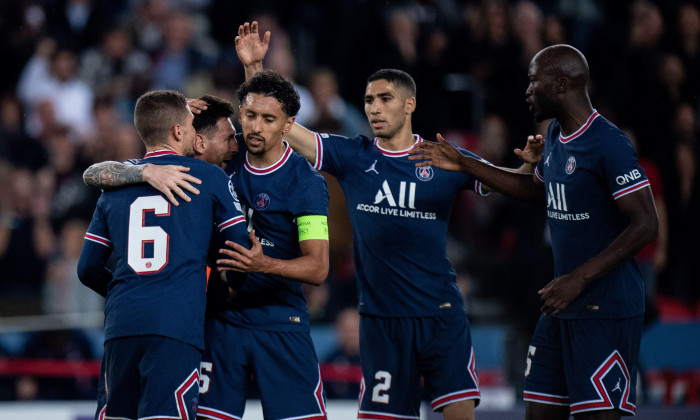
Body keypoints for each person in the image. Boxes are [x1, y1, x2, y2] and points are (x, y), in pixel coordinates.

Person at [223, 21, 541, 420]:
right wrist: (254, 69)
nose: (373, 107)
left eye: (385, 99)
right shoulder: (354, 157)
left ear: (409, 104)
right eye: (369, 100)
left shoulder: (444, 157)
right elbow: (283, 128)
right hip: (379, 320)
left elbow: (514, 189)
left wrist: (528, 169)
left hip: (439, 313)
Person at [408, 44, 659, 420]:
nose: (527, 90)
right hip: (561, 304)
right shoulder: (556, 135)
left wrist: (579, 277)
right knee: (538, 412)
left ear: (560, 84)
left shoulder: (608, 142)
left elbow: (646, 223)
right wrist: (464, 163)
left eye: (532, 80)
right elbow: (532, 190)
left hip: (605, 309)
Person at [82, 76, 331, 420]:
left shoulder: (305, 182)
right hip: (215, 325)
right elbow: (100, 168)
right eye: (242, 125)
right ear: (194, 139)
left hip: (280, 321)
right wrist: (149, 168)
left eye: (267, 120)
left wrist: (264, 265)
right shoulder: (212, 171)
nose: (239, 141)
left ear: (287, 125)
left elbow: (318, 269)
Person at [77, 90, 250, 420]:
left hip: (121, 325)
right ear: (178, 131)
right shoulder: (209, 177)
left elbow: (87, 268)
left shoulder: (115, 185)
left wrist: (125, 292)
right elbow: (238, 247)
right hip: (176, 324)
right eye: (189, 123)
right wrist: (223, 293)